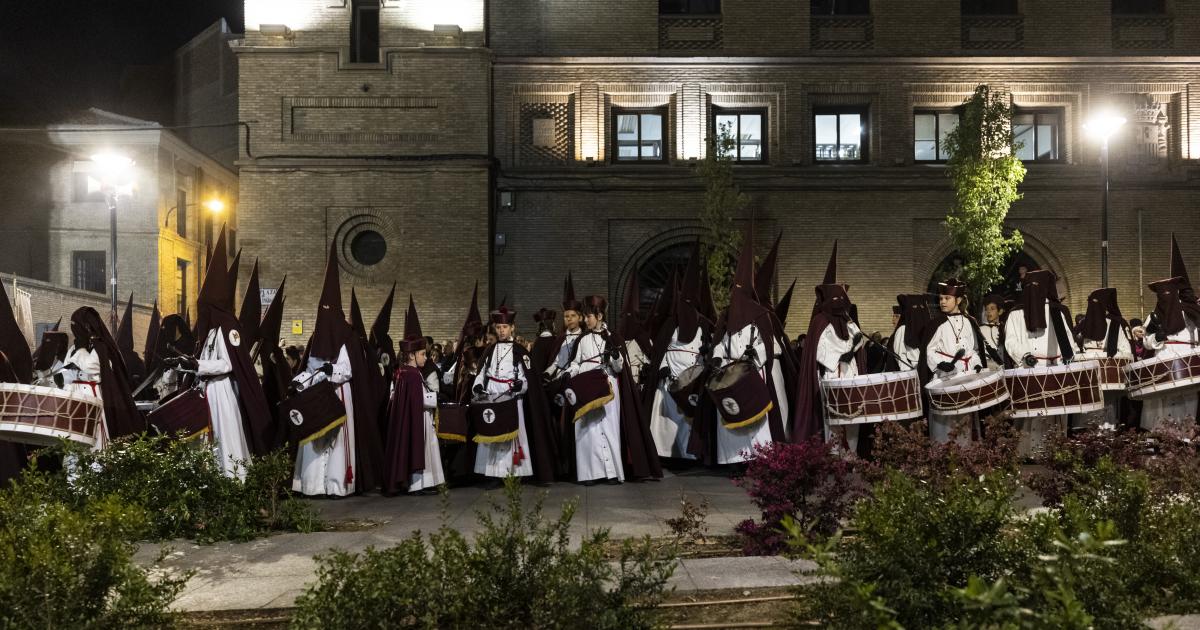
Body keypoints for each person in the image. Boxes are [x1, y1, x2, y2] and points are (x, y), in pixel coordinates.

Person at [292, 241, 384, 496]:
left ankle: (336, 484)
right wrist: (302, 380)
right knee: (314, 441)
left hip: (339, 392)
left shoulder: (347, 337)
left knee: (337, 444)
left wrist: (329, 371)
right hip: (317, 394)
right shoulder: (316, 337)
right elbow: (310, 365)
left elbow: (347, 369)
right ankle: (312, 485)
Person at [711, 233, 789, 462]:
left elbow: (774, 345)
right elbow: (722, 343)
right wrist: (716, 357)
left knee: (758, 421)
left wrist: (757, 353)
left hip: (754, 374)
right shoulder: (729, 320)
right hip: (731, 372)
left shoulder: (761, 318)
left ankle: (760, 456)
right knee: (731, 414)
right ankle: (734, 459)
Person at [472, 306, 557, 484]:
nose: (501, 331)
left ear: (512, 327)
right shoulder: (490, 350)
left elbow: (527, 378)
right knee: (492, 435)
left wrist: (521, 385)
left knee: (512, 438)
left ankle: (514, 473)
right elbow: (482, 372)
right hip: (492, 398)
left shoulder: (519, 351)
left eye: (504, 327)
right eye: (498, 327)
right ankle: (494, 474)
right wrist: (478, 385)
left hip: (512, 398)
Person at [1003, 269, 1078, 456]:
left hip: (1054, 371)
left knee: (1054, 416)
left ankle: (1053, 452)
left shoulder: (1056, 312)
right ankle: (1027, 454)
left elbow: (1068, 341)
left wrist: (1069, 356)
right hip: (1029, 370)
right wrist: (1024, 355)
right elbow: (1010, 341)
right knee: (1029, 415)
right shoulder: (1016, 314)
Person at [647, 249, 706, 461]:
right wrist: (663, 366)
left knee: (688, 419)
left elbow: (704, 352)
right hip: (668, 380)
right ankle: (665, 454)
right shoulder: (670, 326)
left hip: (690, 380)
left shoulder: (702, 328)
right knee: (667, 420)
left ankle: (689, 455)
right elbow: (661, 348)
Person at [383, 296, 444, 494]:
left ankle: (423, 483)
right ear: (411, 355)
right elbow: (420, 401)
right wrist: (436, 399)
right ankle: (418, 483)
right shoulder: (411, 375)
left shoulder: (404, 372)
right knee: (421, 447)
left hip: (414, 419)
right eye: (422, 354)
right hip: (417, 420)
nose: (425, 358)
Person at [563, 296, 627, 484]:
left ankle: (612, 472)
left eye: (588, 316)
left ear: (599, 316)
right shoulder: (582, 339)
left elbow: (620, 368)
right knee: (587, 429)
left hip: (607, 386)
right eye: (585, 316)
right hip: (586, 385)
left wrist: (615, 356)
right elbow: (575, 363)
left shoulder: (613, 337)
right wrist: (569, 373)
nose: (585, 320)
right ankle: (590, 474)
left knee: (609, 428)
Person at [922, 279, 990, 444]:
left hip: (966, 377)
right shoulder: (936, 324)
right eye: (940, 299)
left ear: (958, 300)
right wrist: (939, 363)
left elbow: (973, 350)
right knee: (946, 420)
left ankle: (966, 454)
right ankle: (944, 453)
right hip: (945, 377)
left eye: (947, 298)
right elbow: (929, 350)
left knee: (965, 416)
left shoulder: (969, 322)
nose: (942, 302)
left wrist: (976, 363)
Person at [1140, 276, 1200, 429]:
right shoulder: (1153, 315)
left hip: (1187, 362)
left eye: (1167, 293)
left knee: (1187, 400)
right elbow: (1146, 343)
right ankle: (1164, 438)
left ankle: (1186, 438)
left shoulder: (1189, 311)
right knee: (1163, 403)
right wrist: (1156, 338)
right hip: (1163, 361)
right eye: (1161, 295)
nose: (1165, 297)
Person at [1073, 287, 1132, 430]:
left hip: (1109, 377)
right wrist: (1084, 357)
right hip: (1087, 377)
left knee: (1108, 411)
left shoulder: (1115, 325)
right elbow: (1073, 349)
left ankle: (1107, 438)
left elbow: (1126, 351)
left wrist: (1107, 358)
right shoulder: (1083, 325)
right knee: (1087, 411)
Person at [888, 294, 929, 372]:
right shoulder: (903, 329)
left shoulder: (925, 328)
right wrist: (910, 371)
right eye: (914, 307)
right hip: (913, 371)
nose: (919, 311)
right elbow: (900, 355)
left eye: (922, 307)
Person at [980, 293, 1005, 366]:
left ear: (1000, 311)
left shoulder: (1006, 328)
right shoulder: (981, 329)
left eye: (992, 308)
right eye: (986, 309)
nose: (988, 312)